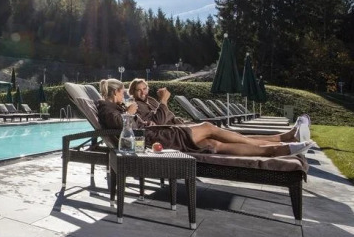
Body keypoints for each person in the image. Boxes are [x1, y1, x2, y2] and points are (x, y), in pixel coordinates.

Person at [97, 78, 312, 157]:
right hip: (159, 136)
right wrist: (130, 112)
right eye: (123, 93)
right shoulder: (108, 108)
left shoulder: (117, 106)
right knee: (209, 127)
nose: (125, 96)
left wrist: (132, 113)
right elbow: (122, 124)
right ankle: (283, 142)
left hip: (162, 133)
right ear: (115, 92)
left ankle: (280, 147)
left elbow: (139, 121)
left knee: (213, 143)